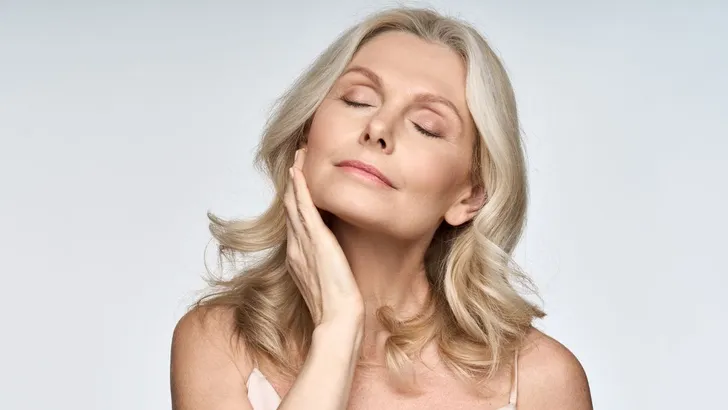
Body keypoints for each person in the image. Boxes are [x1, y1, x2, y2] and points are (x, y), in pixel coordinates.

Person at [170, 7, 592, 410]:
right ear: (306, 133)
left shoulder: (541, 380)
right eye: (358, 99)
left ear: (471, 196)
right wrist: (337, 329)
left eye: (426, 126)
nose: (377, 128)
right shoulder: (219, 341)